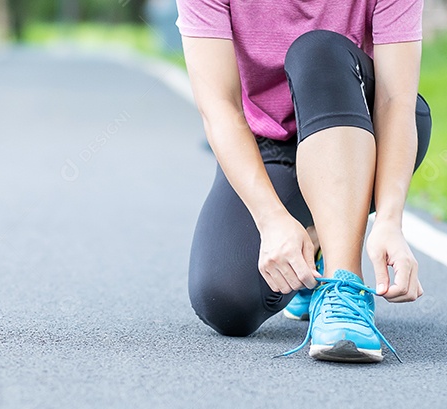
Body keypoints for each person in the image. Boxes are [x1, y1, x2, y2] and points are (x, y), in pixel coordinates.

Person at [178, 0, 432, 363]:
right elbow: (220, 108)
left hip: (363, 124)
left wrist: (390, 220)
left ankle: (344, 285)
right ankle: (312, 239)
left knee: (315, 51)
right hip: (270, 143)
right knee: (225, 300)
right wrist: (271, 220)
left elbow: (395, 102)